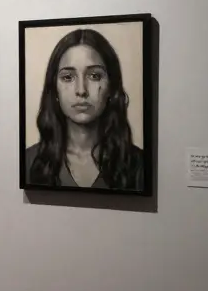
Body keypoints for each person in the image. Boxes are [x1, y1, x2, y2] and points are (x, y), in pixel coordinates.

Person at [25, 28, 144, 189]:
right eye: (68, 77)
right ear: (54, 89)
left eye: (94, 76)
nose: (81, 90)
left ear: (111, 86)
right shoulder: (29, 161)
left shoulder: (139, 164)